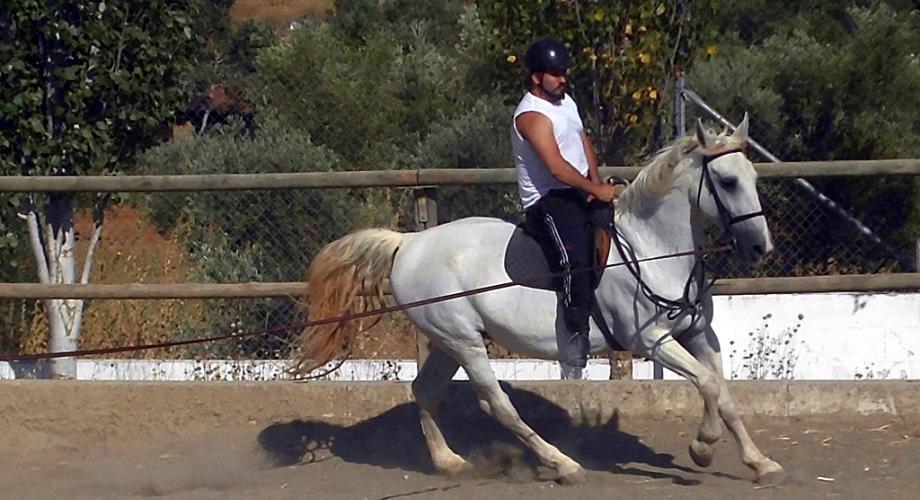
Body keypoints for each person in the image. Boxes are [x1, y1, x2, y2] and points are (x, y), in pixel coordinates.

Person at [511, 38, 618, 369]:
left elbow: (583, 143)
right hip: (548, 199)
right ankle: (574, 336)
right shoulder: (531, 115)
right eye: (556, 74)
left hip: (577, 188)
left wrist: (596, 184)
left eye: (564, 74)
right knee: (576, 260)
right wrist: (593, 190)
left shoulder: (565, 103)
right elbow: (555, 166)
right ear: (536, 77)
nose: (563, 80)